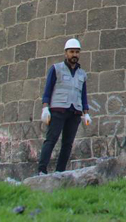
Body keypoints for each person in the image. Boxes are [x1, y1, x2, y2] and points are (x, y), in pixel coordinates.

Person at [37, 38, 91, 175]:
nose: (74, 55)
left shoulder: (82, 74)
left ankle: (60, 171)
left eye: (77, 52)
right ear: (66, 53)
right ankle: (42, 170)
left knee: (67, 144)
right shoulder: (56, 69)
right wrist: (45, 107)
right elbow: (48, 89)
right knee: (51, 140)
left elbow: (83, 94)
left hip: (75, 112)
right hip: (58, 110)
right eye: (72, 52)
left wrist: (86, 112)